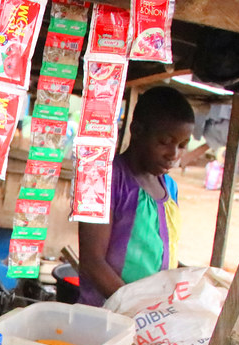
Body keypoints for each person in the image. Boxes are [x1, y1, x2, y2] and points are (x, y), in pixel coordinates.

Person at [77, 86, 195, 306]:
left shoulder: (170, 188)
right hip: (106, 316)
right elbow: (92, 263)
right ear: (137, 130)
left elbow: (163, 254)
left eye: (182, 145)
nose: (173, 154)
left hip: (151, 319)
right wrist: (138, 309)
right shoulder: (103, 179)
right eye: (164, 142)